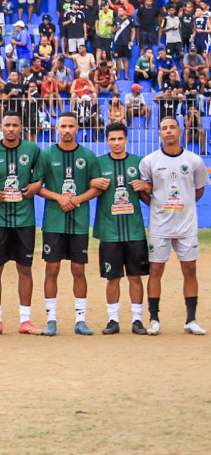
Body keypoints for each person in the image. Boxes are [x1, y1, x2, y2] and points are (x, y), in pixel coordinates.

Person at [140, 117, 210, 335]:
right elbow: (144, 189)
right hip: (160, 225)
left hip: (186, 225)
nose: (168, 131)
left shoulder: (194, 160)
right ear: (159, 134)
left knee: (189, 270)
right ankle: (154, 319)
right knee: (155, 270)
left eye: (172, 127)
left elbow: (198, 190)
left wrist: (184, 205)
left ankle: (191, 319)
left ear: (180, 132)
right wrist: (158, 206)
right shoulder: (149, 161)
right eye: (164, 128)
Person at [37, 111, 101, 336]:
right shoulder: (46, 155)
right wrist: (59, 198)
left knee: (78, 269)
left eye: (71, 126)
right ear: (56, 128)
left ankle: (80, 320)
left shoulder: (88, 155)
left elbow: (96, 186)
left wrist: (76, 200)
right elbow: (38, 186)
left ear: (77, 128)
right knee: (51, 269)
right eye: (62, 126)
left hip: (79, 223)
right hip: (53, 223)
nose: (66, 130)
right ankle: (51, 319)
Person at [0, 112, 44, 334]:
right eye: (7, 125)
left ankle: (25, 320)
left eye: (15, 125)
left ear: (21, 127)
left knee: (25, 268)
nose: (10, 129)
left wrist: (37, 185)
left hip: (24, 218)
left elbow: (41, 176)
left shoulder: (32, 150)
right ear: (0, 127)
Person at [89, 122, 150, 335]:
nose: (116, 143)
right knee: (112, 277)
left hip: (134, 230)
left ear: (126, 139)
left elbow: (148, 191)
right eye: (112, 139)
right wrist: (92, 182)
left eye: (120, 139)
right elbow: (89, 186)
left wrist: (146, 186)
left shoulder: (138, 163)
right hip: (109, 231)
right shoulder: (98, 163)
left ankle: (137, 319)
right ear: (107, 141)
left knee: (135, 276)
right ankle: (113, 319)